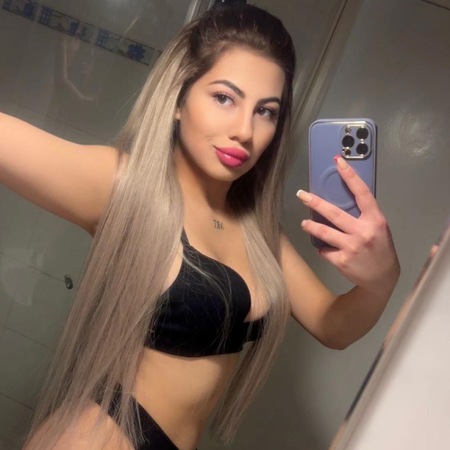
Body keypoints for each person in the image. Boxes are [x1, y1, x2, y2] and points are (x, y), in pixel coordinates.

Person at [0, 4, 400, 450]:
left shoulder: (259, 232)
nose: (244, 130)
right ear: (178, 99)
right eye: (224, 98)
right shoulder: (126, 187)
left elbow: (335, 326)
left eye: (266, 111)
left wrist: (382, 278)